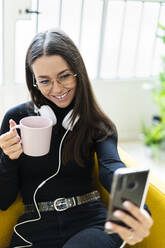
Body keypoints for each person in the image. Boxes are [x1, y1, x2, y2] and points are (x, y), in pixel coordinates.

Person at [0, 29, 153, 248]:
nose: (57, 89)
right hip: (35, 227)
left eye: (64, 76)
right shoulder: (16, 120)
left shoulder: (97, 123)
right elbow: (4, 201)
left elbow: (111, 167)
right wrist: (8, 157)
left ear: (77, 71)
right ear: (33, 81)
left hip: (89, 222)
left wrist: (136, 208)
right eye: (44, 81)